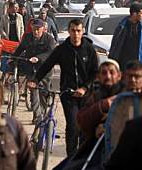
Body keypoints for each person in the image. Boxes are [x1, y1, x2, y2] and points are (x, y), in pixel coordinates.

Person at [34, 18, 98, 157]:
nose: (76, 34)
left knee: (85, 128)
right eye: (73, 31)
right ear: (69, 31)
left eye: (78, 31)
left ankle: (83, 157)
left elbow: (95, 73)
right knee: (73, 125)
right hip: (68, 94)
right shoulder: (62, 50)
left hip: (86, 95)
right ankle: (71, 158)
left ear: (83, 31)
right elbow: (47, 65)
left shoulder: (89, 49)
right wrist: (35, 80)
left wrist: (85, 88)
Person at [12, 19, 57, 121]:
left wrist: (38, 58)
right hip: (31, 69)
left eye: (38, 29)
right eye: (34, 29)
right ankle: (37, 116)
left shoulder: (49, 39)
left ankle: (43, 114)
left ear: (43, 29)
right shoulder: (28, 37)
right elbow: (20, 48)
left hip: (45, 70)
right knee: (34, 91)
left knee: (44, 94)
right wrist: (13, 57)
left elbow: (51, 52)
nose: (36, 32)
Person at [109, 2, 142, 71]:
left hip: (141, 63)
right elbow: (114, 45)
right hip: (124, 64)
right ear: (134, 14)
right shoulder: (122, 27)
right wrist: (112, 60)